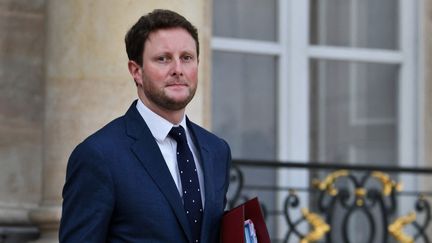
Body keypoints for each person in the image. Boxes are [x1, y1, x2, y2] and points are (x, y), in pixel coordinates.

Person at [59, 9, 231, 243]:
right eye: (163, 58)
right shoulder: (98, 156)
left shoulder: (217, 151)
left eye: (187, 58)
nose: (178, 69)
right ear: (136, 71)